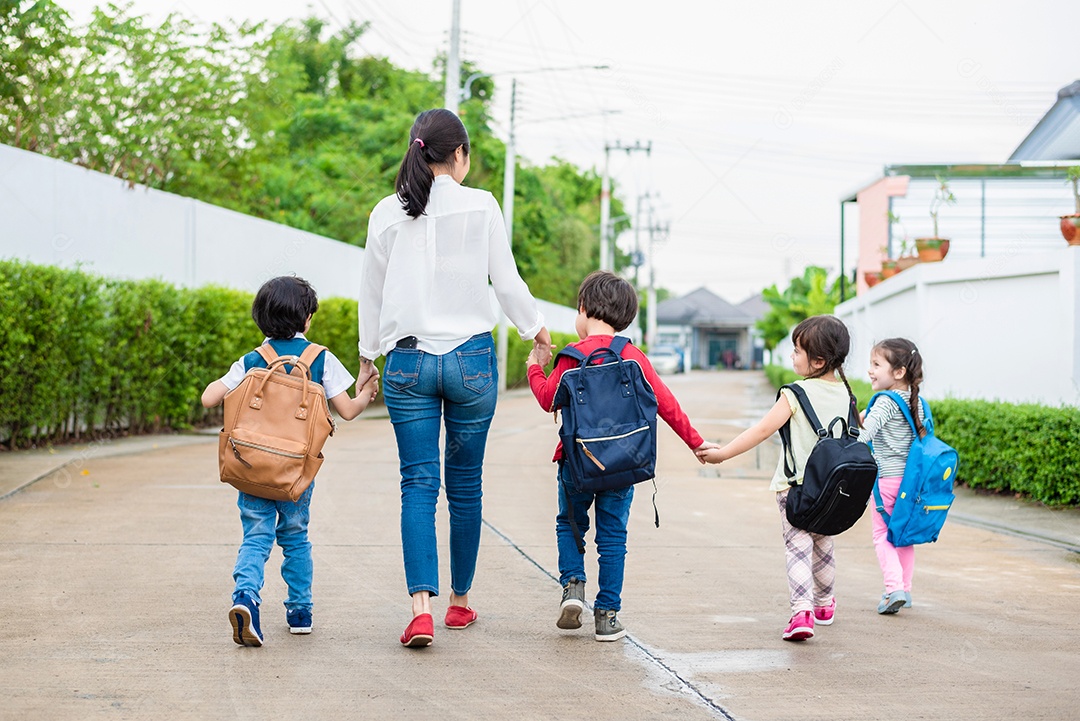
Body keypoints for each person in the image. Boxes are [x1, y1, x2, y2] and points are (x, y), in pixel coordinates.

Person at [357, 108, 553, 648]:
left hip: (408, 362)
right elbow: (507, 280)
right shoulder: (482, 204)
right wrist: (536, 330)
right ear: (460, 155)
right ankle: (459, 604)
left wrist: (367, 358)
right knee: (465, 486)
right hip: (470, 361)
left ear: (419, 152)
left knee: (418, 483)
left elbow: (370, 292)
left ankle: (420, 608)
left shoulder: (385, 213)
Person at [526, 270, 707, 641]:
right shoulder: (633, 356)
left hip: (576, 464)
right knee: (613, 537)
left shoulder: (571, 357)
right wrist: (696, 442)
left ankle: (573, 587)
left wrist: (534, 366)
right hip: (624, 464)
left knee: (570, 524)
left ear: (583, 309)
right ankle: (607, 616)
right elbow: (665, 403)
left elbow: (548, 399)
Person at [201, 275, 380, 647]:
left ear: (260, 319)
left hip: (250, 468)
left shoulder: (254, 359)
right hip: (296, 473)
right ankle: (300, 612)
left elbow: (209, 398)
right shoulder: (320, 358)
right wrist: (367, 393)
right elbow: (346, 411)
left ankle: (246, 597)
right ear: (307, 319)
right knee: (296, 537)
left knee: (256, 536)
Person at [696, 315, 858, 642]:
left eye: (797, 351)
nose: (791, 356)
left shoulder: (794, 394)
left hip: (795, 488)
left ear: (819, 360)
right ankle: (824, 605)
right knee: (823, 544)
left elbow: (762, 430)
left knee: (798, 548)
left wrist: (723, 454)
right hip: (832, 489)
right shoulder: (846, 393)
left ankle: (802, 611)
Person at [858, 337, 925, 615]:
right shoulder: (916, 402)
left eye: (876, 364)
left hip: (886, 481)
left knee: (882, 535)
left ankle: (893, 588)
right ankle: (905, 590)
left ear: (898, 372)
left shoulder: (885, 402)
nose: (870, 371)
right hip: (910, 482)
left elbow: (864, 438)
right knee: (903, 537)